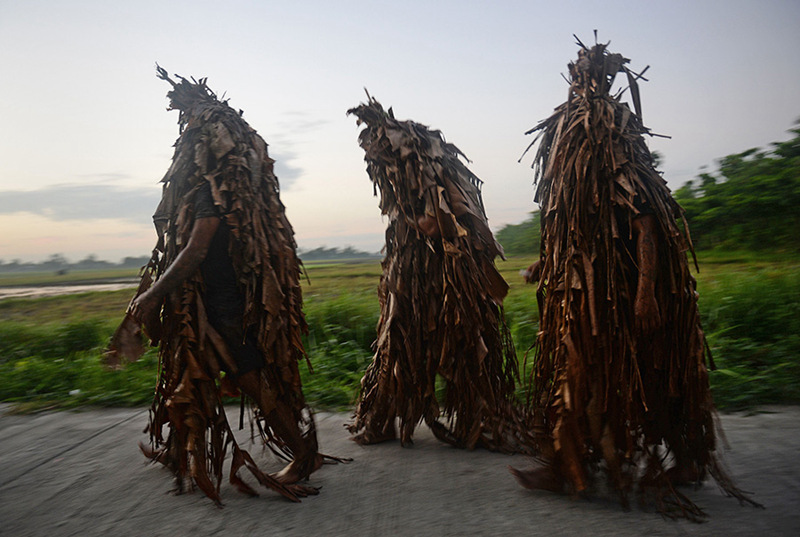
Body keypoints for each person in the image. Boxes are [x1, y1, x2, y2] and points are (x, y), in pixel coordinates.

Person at [510, 41, 760, 519]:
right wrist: (547, 264)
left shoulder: (617, 144)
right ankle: (567, 464)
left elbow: (645, 223)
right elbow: (569, 223)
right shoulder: (571, 149)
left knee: (652, 377)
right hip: (586, 294)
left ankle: (684, 460)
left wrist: (645, 293)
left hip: (626, 290)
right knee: (578, 375)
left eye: (589, 73)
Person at [107, 68, 326, 505]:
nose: (185, 138)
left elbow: (198, 247)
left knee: (247, 375)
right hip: (210, 296)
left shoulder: (211, 189)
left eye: (190, 130)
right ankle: (178, 452)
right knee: (192, 367)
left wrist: (152, 295)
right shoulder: (223, 182)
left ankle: (302, 455)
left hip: (223, 298)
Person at [345, 96, 525, 452]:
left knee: (436, 346)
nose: (377, 164)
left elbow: (433, 224)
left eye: (379, 156)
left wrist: (403, 217)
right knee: (403, 345)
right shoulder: (433, 169)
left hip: (441, 278)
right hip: (423, 276)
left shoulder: (423, 174)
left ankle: (486, 420)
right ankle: (387, 419)